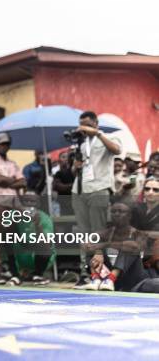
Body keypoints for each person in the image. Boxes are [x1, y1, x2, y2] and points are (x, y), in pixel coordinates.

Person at [71, 110, 121, 283]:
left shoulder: (107, 137)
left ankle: (100, 271)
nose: (84, 128)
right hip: (79, 190)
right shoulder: (81, 144)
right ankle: (86, 272)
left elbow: (116, 150)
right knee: (84, 233)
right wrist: (75, 165)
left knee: (98, 232)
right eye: (82, 125)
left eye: (88, 125)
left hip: (99, 188)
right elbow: (74, 171)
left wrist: (97, 134)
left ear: (96, 124)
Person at [0, 132, 27, 282]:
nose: (4, 146)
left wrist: (8, 181)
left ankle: (12, 270)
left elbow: (23, 182)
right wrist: (13, 181)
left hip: (13, 205)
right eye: (2, 143)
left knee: (10, 239)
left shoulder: (13, 163)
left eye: (7, 143)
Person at [53, 151, 74, 215]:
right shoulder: (58, 173)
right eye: (63, 157)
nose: (66, 159)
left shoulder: (74, 171)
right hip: (64, 201)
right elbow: (57, 186)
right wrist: (72, 185)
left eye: (68, 157)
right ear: (59, 160)